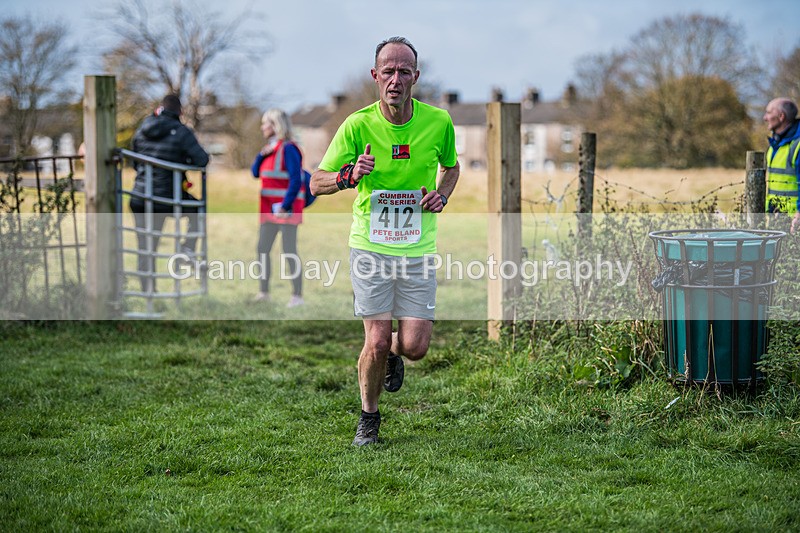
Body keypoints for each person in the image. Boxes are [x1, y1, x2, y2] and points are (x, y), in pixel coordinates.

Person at [310, 36, 460, 446]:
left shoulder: (438, 122)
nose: (396, 79)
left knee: (414, 346)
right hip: (371, 246)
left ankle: (395, 354)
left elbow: (451, 167)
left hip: (417, 249)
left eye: (403, 71)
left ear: (416, 76)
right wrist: (347, 176)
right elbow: (315, 182)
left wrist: (442, 193)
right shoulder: (357, 125)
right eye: (388, 71)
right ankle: (368, 420)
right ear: (375, 76)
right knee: (374, 340)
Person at [129, 94, 209, 291]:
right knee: (198, 212)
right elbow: (202, 160)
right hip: (167, 197)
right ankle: (187, 249)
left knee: (146, 245)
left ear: (159, 108)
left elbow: (134, 161)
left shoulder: (142, 129)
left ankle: (149, 292)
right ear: (180, 112)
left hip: (140, 196)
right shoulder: (182, 132)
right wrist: (182, 163)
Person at [250, 108, 306, 307]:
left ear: (275, 126)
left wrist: (285, 205)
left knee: (289, 250)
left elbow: (295, 180)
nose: (262, 127)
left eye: (266, 123)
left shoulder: (289, 149)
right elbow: (255, 173)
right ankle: (264, 293)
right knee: (262, 249)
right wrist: (260, 155)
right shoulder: (269, 149)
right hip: (268, 212)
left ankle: (297, 297)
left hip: (285, 210)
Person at [763, 97, 800, 234]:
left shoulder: (797, 144)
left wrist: (799, 213)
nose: (765, 117)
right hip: (776, 218)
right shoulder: (775, 144)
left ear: (781, 116)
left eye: (768, 112)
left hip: (793, 222)